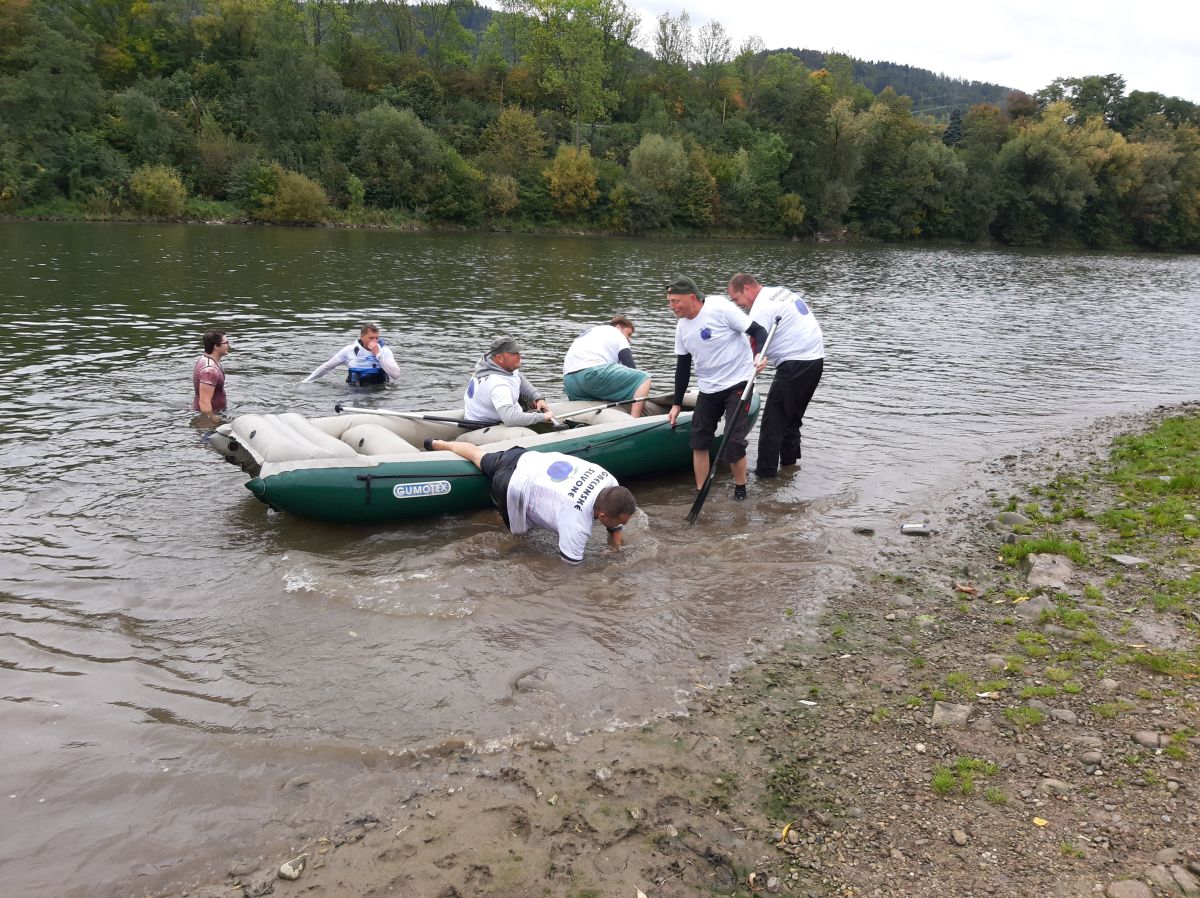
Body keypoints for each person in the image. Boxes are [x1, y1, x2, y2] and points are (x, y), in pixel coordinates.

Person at [425, 440, 636, 563]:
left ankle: (438, 444)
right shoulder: (576, 525)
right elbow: (570, 569)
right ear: (602, 516)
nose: (622, 527)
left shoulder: (610, 482)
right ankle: (479, 524)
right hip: (510, 486)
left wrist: (615, 546)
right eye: (622, 523)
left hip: (522, 458)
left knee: (478, 455)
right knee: (520, 539)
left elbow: (614, 517)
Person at [666, 276, 770, 501]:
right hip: (708, 388)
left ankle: (740, 490)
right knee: (698, 441)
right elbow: (682, 367)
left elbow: (759, 331)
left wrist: (760, 355)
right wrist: (676, 403)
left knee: (732, 442)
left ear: (692, 297)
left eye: (675, 301)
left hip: (738, 382)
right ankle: (701, 492)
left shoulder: (720, 308)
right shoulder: (682, 328)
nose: (671, 306)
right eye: (669, 301)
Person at [728, 273, 825, 478]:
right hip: (816, 360)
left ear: (746, 288)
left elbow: (751, 349)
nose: (739, 305)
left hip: (795, 364)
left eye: (737, 299)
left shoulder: (761, 308)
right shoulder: (779, 291)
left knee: (773, 421)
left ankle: (765, 476)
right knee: (792, 419)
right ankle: (789, 468)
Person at [562, 315, 653, 417]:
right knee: (643, 378)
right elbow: (630, 365)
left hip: (569, 382)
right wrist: (637, 389)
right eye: (629, 334)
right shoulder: (617, 333)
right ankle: (635, 421)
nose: (629, 339)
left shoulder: (593, 332)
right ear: (618, 327)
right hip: (591, 374)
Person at [463, 337, 555, 427]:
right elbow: (510, 419)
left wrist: (538, 398)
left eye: (518, 352)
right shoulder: (498, 384)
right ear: (499, 358)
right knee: (524, 432)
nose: (519, 356)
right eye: (514, 353)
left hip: (490, 414)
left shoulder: (495, 365)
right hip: (481, 426)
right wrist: (542, 417)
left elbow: (518, 378)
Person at [302, 322, 401, 386]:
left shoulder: (385, 351)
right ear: (362, 337)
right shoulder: (349, 350)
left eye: (376, 338)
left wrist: (378, 355)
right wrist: (306, 382)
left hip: (379, 391)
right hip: (356, 391)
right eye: (371, 338)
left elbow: (396, 375)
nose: (375, 341)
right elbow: (327, 367)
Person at [192, 330, 231, 422]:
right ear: (216, 346)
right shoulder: (210, 371)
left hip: (215, 413)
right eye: (226, 342)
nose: (228, 345)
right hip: (207, 418)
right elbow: (204, 402)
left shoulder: (207, 359)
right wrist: (213, 418)